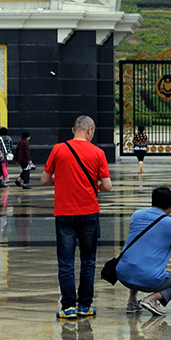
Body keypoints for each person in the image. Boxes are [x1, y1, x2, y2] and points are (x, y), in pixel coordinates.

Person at [42, 115, 113, 319]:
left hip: (64, 213)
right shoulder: (98, 152)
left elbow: (45, 179)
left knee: (66, 262)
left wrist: (63, 179)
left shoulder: (59, 149)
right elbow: (107, 186)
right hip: (89, 212)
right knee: (88, 261)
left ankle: (68, 307)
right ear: (90, 130)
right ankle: (84, 306)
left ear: (74, 130)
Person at [117, 187, 171, 316]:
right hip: (148, 279)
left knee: (137, 257)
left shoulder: (137, 215)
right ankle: (152, 299)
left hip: (124, 275)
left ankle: (132, 300)